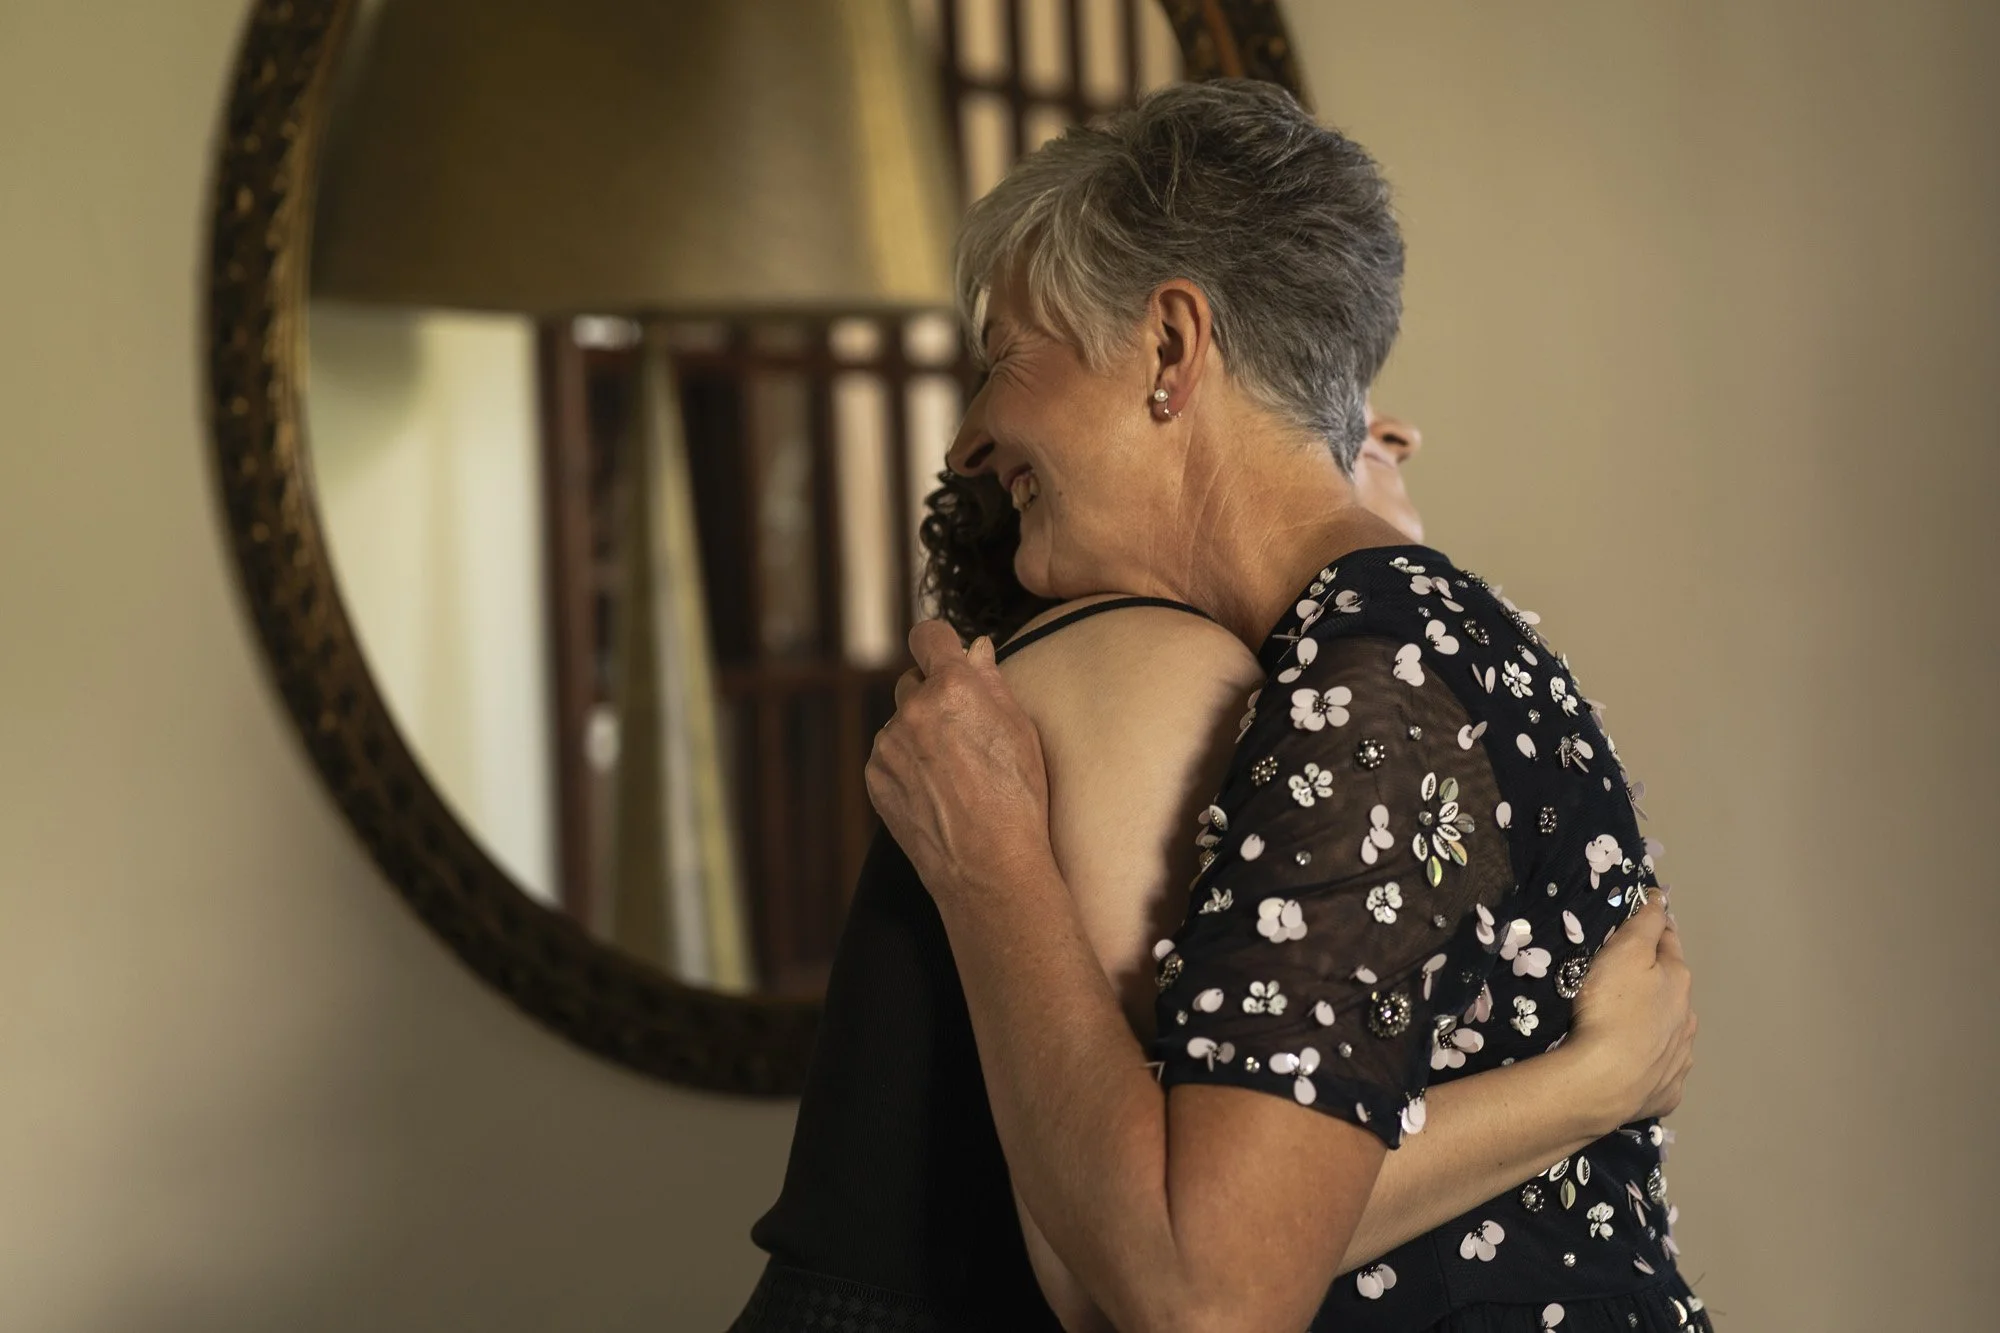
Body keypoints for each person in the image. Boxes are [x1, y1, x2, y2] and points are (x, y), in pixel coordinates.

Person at [860, 80, 1707, 1333]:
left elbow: (1200, 1293)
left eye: (1006, 359)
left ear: (1169, 347)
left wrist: (989, 865)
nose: (974, 436)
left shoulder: (1376, 675)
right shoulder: (1411, 644)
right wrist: (1583, 1088)